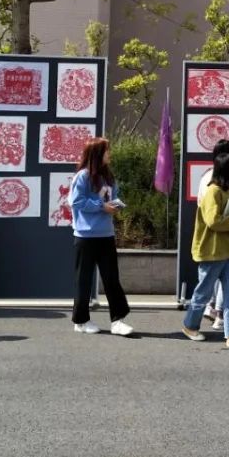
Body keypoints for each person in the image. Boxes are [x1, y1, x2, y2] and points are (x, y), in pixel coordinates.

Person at [181, 153, 229, 349]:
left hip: (227, 250)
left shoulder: (224, 191)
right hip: (212, 251)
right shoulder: (213, 191)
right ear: (228, 170)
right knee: (203, 292)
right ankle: (190, 325)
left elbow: (221, 221)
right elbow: (213, 221)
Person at [69, 138, 134, 337]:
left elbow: (112, 196)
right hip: (85, 236)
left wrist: (115, 205)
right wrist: (101, 206)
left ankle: (118, 321)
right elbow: (76, 201)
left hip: (106, 234)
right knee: (83, 280)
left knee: (112, 279)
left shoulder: (108, 176)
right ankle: (81, 321)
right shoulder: (82, 176)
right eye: (107, 151)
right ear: (97, 153)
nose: (109, 154)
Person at [196, 139, 229, 330]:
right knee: (227, 283)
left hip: (208, 239)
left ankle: (217, 318)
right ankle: (214, 317)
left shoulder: (206, 178)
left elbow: (202, 209)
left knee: (213, 282)